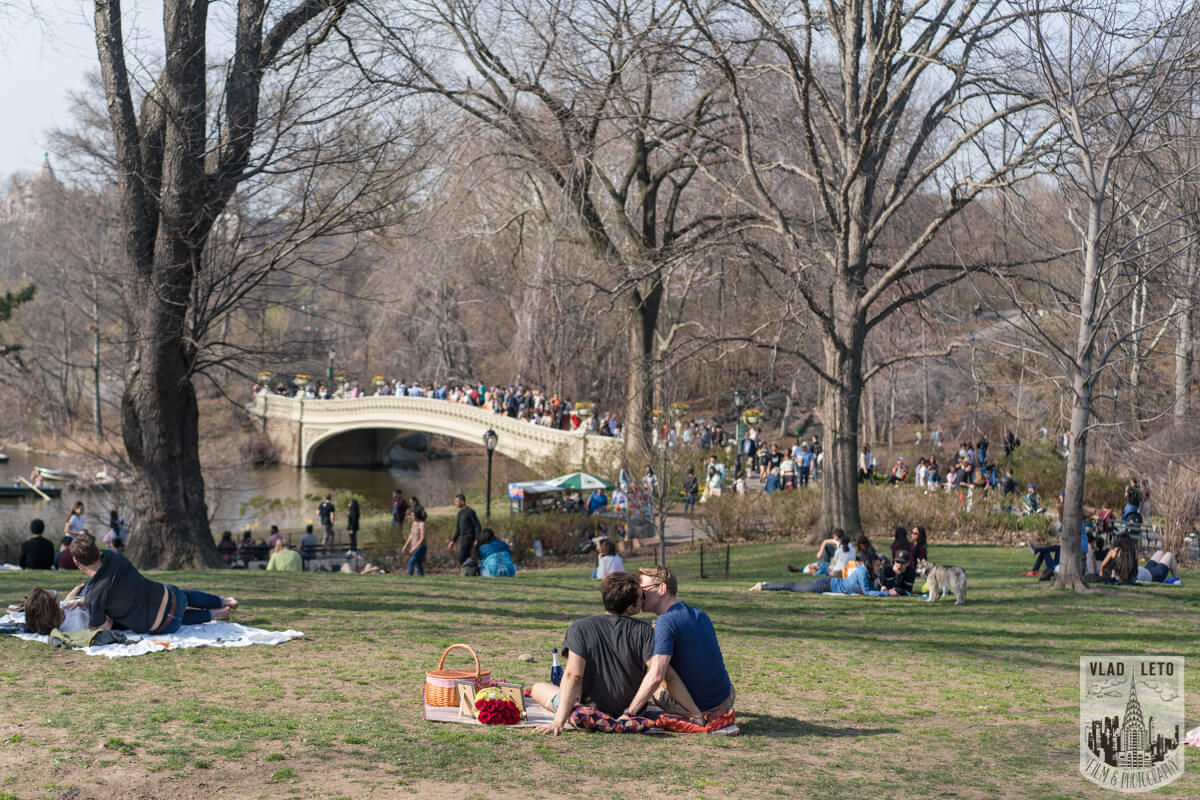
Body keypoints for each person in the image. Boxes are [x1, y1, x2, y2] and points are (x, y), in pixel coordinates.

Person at [532, 573, 699, 735]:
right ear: (631, 607)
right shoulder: (644, 631)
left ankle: (587, 716)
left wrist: (558, 722)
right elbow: (666, 676)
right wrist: (695, 713)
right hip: (631, 711)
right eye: (641, 597)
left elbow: (573, 676)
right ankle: (616, 719)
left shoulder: (580, 628)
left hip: (590, 711)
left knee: (537, 688)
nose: (643, 601)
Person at [623, 567, 733, 723]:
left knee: (655, 682)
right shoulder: (699, 614)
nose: (639, 596)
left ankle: (690, 713)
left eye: (643, 591)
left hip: (701, 709)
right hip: (725, 700)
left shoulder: (665, 622)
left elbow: (656, 677)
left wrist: (629, 714)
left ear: (662, 588)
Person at [70, 534, 238, 634]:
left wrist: (95, 607)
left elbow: (106, 627)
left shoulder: (93, 596)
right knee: (183, 597)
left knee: (175, 618)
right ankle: (225, 601)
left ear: (77, 563)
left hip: (161, 625)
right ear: (97, 550)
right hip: (170, 596)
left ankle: (218, 613)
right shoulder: (115, 556)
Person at [750, 554, 898, 596]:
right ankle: (763, 586)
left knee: (793, 587)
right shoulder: (862, 572)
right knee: (793, 587)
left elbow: (870, 589)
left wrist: (882, 589)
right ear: (871, 565)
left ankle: (766, 584)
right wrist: (886, 594)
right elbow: (867, 592)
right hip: (824, 585)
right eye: (877, 566)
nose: (879, 569)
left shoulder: (868, 574)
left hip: (829, 585)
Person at [20, 585, 89, 635]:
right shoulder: (77, 625)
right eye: (56, 596)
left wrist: (71, 595)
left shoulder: (58, 610)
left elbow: (65, 603)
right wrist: (85, 599)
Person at [448, 494, 481, 573]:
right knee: (465, 557)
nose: (455, 503)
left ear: (462, 502)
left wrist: (476, 539)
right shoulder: (460, 513)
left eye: (456, 501)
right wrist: (453, 541)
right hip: (462, 538)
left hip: (469, 537)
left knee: (462, 557)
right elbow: (458, 529)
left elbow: (477, 526)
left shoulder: (470, 512)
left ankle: (470, 571)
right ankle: (468, 572)